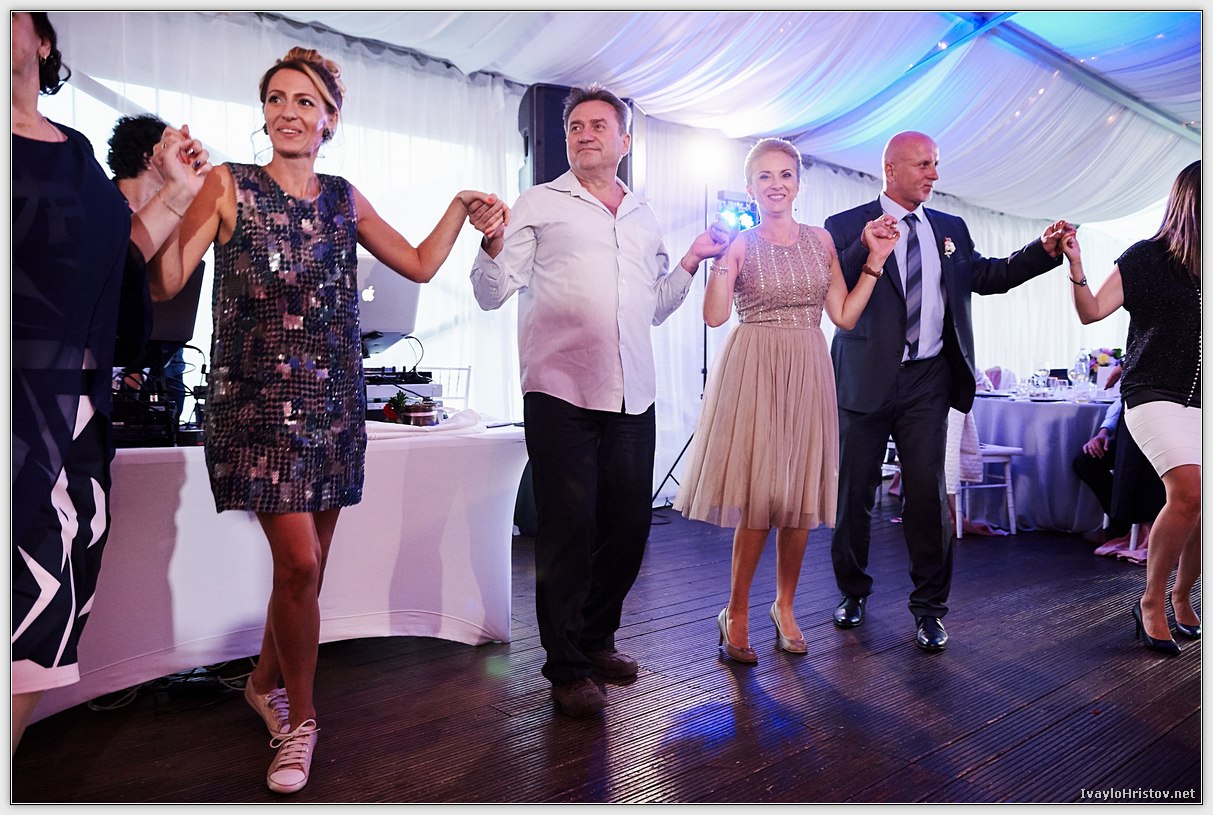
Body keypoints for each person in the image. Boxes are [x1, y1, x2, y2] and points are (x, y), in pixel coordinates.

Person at [148, 47, 507, 792]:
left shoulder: (343, 198)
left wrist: (458, 209)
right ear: (264, 112)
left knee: (302, 571)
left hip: (333, 408)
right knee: (302, 564)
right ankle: (300, 723)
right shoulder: (227, 184)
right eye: (276, 98)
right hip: (254, 410)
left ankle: (261, 683)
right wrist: (172, 193)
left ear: (329, 121)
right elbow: (167, 280)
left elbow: (417, 264)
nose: (288, 112)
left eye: (304, 101)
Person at [468, 84, 730, 718]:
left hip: (632, 393)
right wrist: (492, 242)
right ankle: (566, 667)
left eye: (597, 126)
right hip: (560, 389)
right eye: (575, 127)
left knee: (629, 527)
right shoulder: (539, 202)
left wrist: (692, 259)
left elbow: (656, 307)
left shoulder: (642, 215)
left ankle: (595, 637)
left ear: (624, 141)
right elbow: (491, 293)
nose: (584, 134)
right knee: (567, 530)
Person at [12, 11, 211, 751]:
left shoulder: (73, 151)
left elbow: (118, 257)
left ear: (43, 40)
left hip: (79, 415)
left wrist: (177, 191)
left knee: (51, 611)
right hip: (18, 404)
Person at [823, 130, 1073, 652]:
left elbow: (991, 275)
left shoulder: (951, 228)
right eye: (923, 165)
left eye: (935, 164)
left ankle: (930, 609)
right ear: (891, 169)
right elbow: (833, 287)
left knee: (928, 496)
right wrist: (864, 245)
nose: (934, 174)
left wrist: (1042, 251)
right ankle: (852, 592)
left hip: (928, 380)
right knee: (855, 493)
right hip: (864, 377)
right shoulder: (844, 225)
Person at [672, 138, 896, 663]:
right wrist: (720, 260)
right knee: (761, 495)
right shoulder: (740, 244)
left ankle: (786, 606)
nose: (776, 184)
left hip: (809, 365)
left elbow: (844, 316)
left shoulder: (821, 241)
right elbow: (714, 316)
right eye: (765, 176)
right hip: (755, 365)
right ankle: (737, 611)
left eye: (785, 175)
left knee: (797, 498)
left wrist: (875, 261)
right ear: (750, 188)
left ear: (798, 183)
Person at [1062, 160, 1201, 656]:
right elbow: (1092, 311)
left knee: (1202, 504)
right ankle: (1150, 601)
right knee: (1188, 491)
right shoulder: (1146, 257)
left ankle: (1183, 596)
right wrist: (1077, 267)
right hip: (1153, 392)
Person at [107, 113, 195, 422]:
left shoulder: (173, 213)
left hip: (163, 353)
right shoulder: (102, 205)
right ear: (150, 157)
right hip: (106, 350)